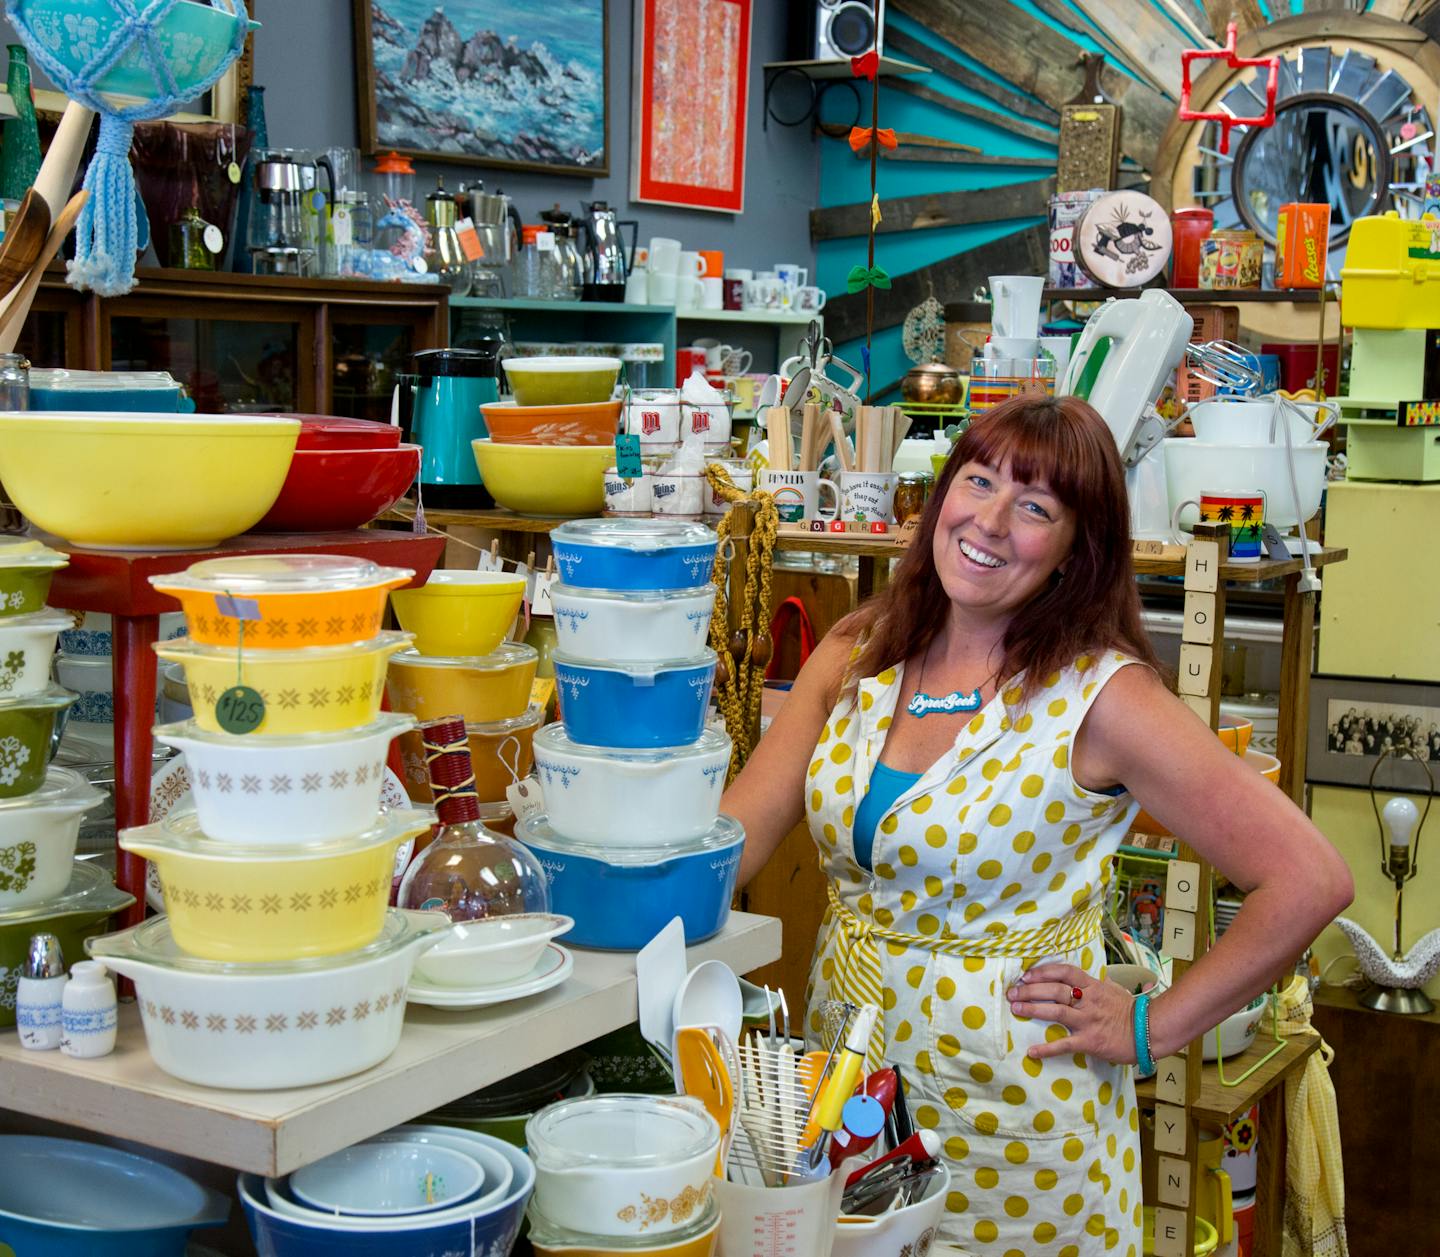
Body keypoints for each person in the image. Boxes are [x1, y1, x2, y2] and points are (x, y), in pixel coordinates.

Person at [722, 395, 1353, 1257]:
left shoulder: (1100, 696)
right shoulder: (858, 655)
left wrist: (1148, 1027)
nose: (987, 519)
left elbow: (1309, 879)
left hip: (1017, 1127)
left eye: (1034, 507)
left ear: (1073, 549)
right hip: (850, 1093)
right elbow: (730, 844)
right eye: (976, 482)